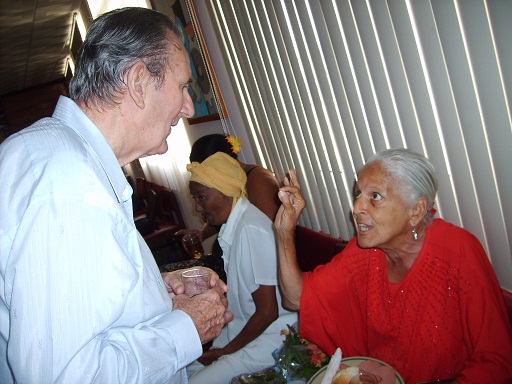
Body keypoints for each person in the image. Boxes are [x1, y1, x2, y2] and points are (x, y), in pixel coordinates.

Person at [0, 7, 233, 384]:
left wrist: (154, 293)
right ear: (139, 82)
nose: (188, 106)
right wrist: (185, 328)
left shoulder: (58, 157)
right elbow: (61, 376)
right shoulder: (69, 186)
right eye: (182, 86)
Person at [274, 148, 512, 384]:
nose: (356, 208)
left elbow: (496, 359)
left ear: (416, 210)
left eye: (375, 196)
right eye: (358, 195)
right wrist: (284, 231)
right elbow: (297, 299)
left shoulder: (458, 252)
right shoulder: (364, 251)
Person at [179, 152, 297, 383]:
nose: (198, 207)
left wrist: (226, 351)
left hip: (272, 337)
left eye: (201, 197)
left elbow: (268, 312)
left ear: (226, 189)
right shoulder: (235, 225)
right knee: (181, 369)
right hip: (246, 329)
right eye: (195, 199)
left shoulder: (250, 228)